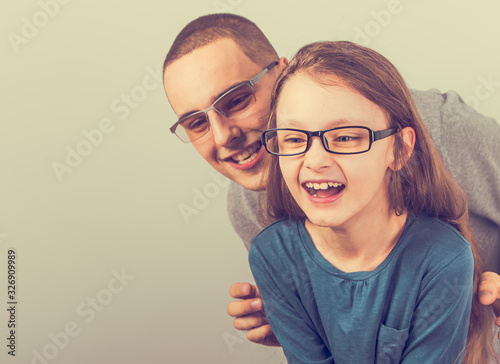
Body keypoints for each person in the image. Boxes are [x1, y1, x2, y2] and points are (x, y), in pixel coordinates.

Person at [162, 13, 500, 348]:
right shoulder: (248, 207)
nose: (223, 137)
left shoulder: (444, 127)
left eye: (236, 100)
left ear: (283, 73)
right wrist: (302, 319)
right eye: (196, 124)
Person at [249, 40, 496, 363]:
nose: (315, 160)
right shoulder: (273, 255)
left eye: (346, 137)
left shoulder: (445, 259)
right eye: (294, 138)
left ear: (399, 149)